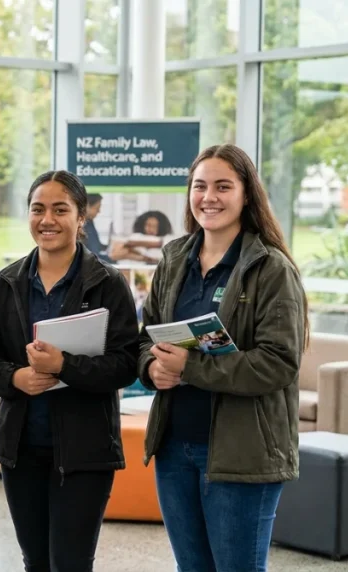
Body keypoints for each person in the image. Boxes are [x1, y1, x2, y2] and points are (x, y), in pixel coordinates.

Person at [138, 144, 309, 572]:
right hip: (175, 447)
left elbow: (278, 363)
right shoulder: (174, 258)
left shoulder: (271, 269)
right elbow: (145, 335)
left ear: (246, 194)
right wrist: (152, 366)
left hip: (242, 451)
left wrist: (190, 367)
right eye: (199, 186)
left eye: (222, 186)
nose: (208, 197)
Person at [0, 170, 139, 572]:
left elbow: (125, 364)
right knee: (35, 561)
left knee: (70, 562)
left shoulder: (108, 283)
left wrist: (65, 365)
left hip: (85, 451)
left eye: (60, 209)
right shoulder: (7, 282)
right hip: (21, 448)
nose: (47, 220)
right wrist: (15, 378)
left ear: (81, 217)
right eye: (38, 209)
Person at [82, 192, 114, 263]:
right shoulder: (80, 226)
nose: (99, 211)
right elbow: (91, 256)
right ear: (87, 206)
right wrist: (112, 257)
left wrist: (109, 246)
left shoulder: (90, 222)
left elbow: (95, 245)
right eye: (97, 208)